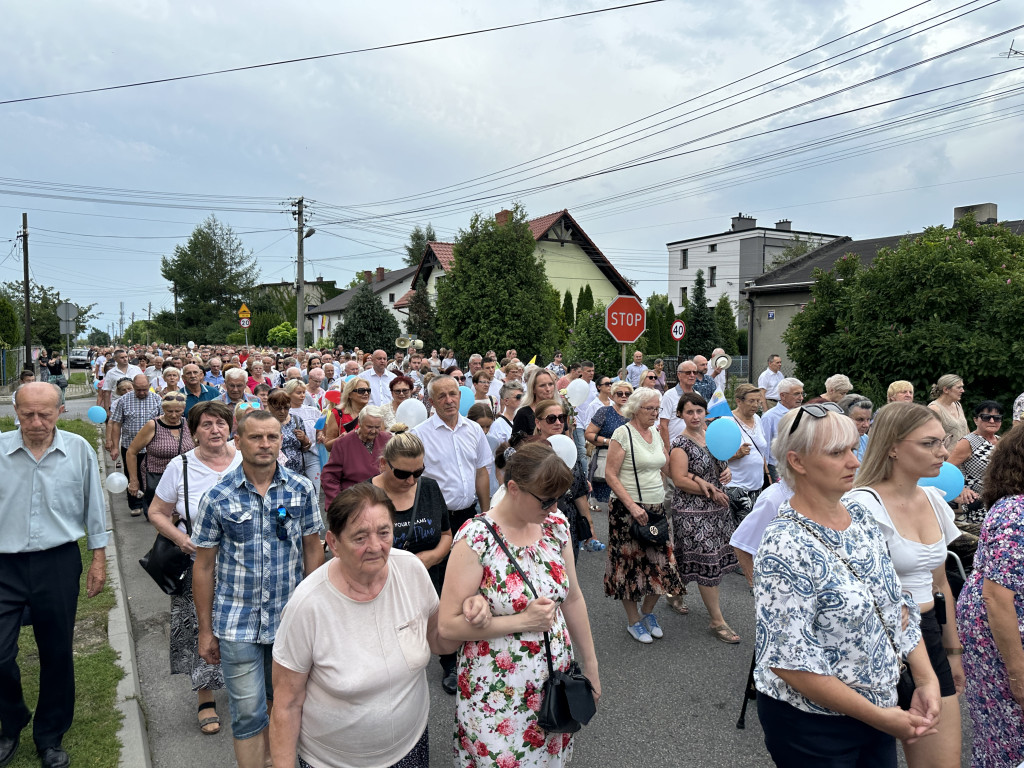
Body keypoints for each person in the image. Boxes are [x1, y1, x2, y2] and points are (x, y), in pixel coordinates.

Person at [754, 403, 941, 767]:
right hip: (815, 726)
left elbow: (896, 604)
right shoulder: (785, 543)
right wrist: (880, 717)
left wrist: (926, 681)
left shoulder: (860, 516)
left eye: (854, 448)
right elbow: (790, 661)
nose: (855, 462)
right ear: (798, 461)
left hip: (880, 707)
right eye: (837, 453)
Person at [270, 483, 458, 768]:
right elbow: (286, 704)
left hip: (411, 747)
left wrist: (466, 616)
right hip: (334, 762)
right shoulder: (307, 605)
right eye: (360, 537)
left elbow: (439, 641)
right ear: (333, 543)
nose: (376, 547)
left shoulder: (411, 570)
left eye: (384, 532)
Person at [439, 442, 601, 766]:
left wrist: (592, 668)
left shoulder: (555, 527)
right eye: (546, 500)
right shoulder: (477, 538)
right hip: (496, 690)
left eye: (559, 498)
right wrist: (521, 622)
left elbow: (573, 598)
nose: (554, 507)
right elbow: (447, 626)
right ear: (513, 488)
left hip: (553, 681)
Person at [192, 409, 325, 768]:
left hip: (289, 620)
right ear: (238, 442)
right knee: (248, 713)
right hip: (238, 623)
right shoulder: (217, 497)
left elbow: (314, 547)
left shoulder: (301, 488)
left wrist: (313, 608)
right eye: (256, 437)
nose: (265, 444)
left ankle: (274, 760)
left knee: (284, 704)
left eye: (272, 437)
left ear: (281, 441)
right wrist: (205, 630)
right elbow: (203, 566)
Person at [845, 402, 964, 767]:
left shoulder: (933, 499)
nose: (942, 452)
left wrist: (954, 649)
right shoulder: (861, 505)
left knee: (941, 762)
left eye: (942, 442)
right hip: (879, 643)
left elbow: (939, 579)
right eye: (929, 443)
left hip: (928, 633)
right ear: (893, 446)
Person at [0, 383, 109, 768]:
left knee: (57, 652)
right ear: (16, 410)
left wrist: (98, 558)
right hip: (4, 565)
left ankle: (50, 736)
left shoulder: (77, 450)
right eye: (27, 413)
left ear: (60, 411)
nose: (35, 422)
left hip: (58, 562)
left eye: (44, 414)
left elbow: (94, 505)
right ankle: (11, 720)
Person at [148, 401, 237, 736]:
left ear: (231, 428)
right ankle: (205, 696)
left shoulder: (249, 460)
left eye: (221, 424)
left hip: (245, 562)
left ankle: (251, 687)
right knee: (201, 627)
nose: (215, 430)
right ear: (193, 430)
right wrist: (182, 539)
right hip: (198, 561)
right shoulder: (180, 465)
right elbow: (157, 512)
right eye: (206, 424)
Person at [955, 425, 1024, 767]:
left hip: (1003, 637)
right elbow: (997, 597)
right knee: (1008, 743)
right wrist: (1017, 672)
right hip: (1005, 643)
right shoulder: (1016, 512)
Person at [370, 428, 456, 693]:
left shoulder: (428, 488)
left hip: (430, 578)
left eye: (418, 472)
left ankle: (450, 664)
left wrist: (431, 557)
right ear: (384, 464)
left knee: (440, 625)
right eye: (402, 473)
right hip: (385, 584)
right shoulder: (366, 495)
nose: (411, 481)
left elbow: (446, 534)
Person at [603, 387, 683, 644]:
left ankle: (647, 613)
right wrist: (632, 506)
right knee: (628, 567)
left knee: (663, 566)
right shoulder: (622, 433)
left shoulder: (657, 433)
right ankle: (633, 621)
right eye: (650, 409)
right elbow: (610, 475)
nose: (655, 413)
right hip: (627, 510)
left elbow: (667, 468)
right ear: (636, 409)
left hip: (656, 507)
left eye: (657, 409)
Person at [668, 393, 740, 643]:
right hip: (691, 511)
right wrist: (709, 489)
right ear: (681, 415)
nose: (695, 416)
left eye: (699, 411)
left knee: (687, 556)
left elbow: (720, 460)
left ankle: (673, 591)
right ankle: (717, 621)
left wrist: (726, 469)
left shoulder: (712, 433)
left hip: (716, 509)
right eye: (689, 412)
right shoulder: (680, 444)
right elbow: (679, 480)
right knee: (707, 560)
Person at [412, 375, 491, 536]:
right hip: (435, 519)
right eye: (441, 396)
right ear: (432, 402)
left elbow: (481, 472)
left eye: (452, 394)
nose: (449, 400)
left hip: (468, 516)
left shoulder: (475, 430)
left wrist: (486, 514)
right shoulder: (419, 435)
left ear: (460, 395)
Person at [533, 399, 599, 556]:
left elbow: (579, 492)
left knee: (569, 575)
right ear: (538, 423)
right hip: (539, 521)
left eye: (562, 418)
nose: (558, 422)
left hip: (569, 522)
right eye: (551, 418)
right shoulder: (531, 452)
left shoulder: (569, 449)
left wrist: (589, 526)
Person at [126, 391, 194, 510]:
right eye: (169, 411)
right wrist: (133, 480)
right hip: (157, 479)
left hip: (183, 480)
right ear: (163, 409)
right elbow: (131, 452)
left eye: (178, 411)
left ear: (183, 409)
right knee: (160, 516)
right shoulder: (153, 425)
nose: (173, 415)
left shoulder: (187, 424)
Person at [108, 373, 162, 517]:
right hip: (129, 445)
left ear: (149, 387)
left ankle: (150, 506)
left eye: (144, 389)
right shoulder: (124, 401)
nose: (142, 392)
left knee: (151, 478)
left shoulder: (157, 399)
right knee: (132, 475)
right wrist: (114, 446)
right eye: (138, 389)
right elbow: (116, 424)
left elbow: (163, 422)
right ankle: (135, 504)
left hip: (152, 447)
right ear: (133, 387)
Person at [320, 406, 390, 507]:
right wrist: (338, 503)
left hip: (382, 500)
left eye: (377, 427)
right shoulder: (343, 443)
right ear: (359, 424)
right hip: (353, 502)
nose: (374, 431)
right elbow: (330, 477)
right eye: (369, 427)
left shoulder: (387, 439)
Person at [948, 399, 1003, 524]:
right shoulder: (968, 442)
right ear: (975, 420)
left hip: (997, 500)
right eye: (986, 417)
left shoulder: (1001, 441)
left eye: (997, 418)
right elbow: (947, 469)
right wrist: (961, 489)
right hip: (976, 503)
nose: (992, 421)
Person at [725, 383, 769, 525]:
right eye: (751, 401)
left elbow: (761, 451)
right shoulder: (727, 422)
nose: (755, 405)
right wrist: (736, 454)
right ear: (739, 401)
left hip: (757, 486)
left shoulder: (757, 419)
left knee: (756, 529)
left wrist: (767, 475)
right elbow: (716, 457)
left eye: (758, 401)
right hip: (737, 487)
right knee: (744, 530)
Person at [585, 380, 633, 505]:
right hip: (608, 458)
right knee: (607, 504)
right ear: (612, 395)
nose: (624, 396)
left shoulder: (635, 414)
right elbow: (589, 434)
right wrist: (609, 442)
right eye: (620, 393)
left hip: (630, 461)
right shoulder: (604, 412)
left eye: (627, 394)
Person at [283, 380, 323, 495]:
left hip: (312, 455)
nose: (302, 395)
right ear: (289, 394)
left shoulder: (313, 411)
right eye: (298, 392)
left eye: (303, 392)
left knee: (315, 491)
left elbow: (320, 429)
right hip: (292, 456)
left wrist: (320, 435)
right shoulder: (285, 412)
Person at [761, 377, 804, 482]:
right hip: (777, 468)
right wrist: (767, 472)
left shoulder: (803, 414)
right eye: (796, 394)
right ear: (783, 396)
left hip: (799, 465)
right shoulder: (769, 417)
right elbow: (764, 447)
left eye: (802, 394)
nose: (801, 398)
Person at [267, 388, 311, 477]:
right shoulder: (265, 422)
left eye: (286, 408)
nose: (282, 412)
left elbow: (305, 448)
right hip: (274, 473)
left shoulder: (296, 420)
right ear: (270, 406)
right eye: (278, 408)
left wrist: (305, 440)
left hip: (297, 472)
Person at [511, 367, 560, 446]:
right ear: (533, 389)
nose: (548, 389)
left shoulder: (559, 410)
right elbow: (516, 445)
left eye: (550, 384)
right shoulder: (523, 414)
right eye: (542, 385)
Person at [323, 377, 370, 451]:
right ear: (349, 394)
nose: (366, 393)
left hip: (369, 459)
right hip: (346, 459)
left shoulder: (373, 413)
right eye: (361, 391)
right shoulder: (338, 413)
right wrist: (341, 439)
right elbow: (328, 446)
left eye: (368, 390)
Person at [659, 361, 697, 448]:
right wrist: (668, 450)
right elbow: (663, 425)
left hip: (695, 447)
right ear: (679, 375)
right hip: (676, 447)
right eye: (688, 372)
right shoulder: (669, 395)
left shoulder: (698, 395)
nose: (692, 375)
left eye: (695, 372)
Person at [927, 374, 969, 447]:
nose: (962, 390)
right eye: (959, 387)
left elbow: (966, 432)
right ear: (946, 390)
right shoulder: (934, 409)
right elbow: (931, 439)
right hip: (946, 457)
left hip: (964, 456)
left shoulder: (957, 405)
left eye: (962, 387)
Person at [839, 393, 874, 461]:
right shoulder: (833, 443)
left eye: (868, 419)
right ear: (844, 417)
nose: (866, 425)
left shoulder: (865, 439)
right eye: (860, 420)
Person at [489, 380, 523, 446]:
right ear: (506, 401)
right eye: (518, 397)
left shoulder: (525, 419)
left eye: (523, 396)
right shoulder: (498, 426)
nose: (522, 400)